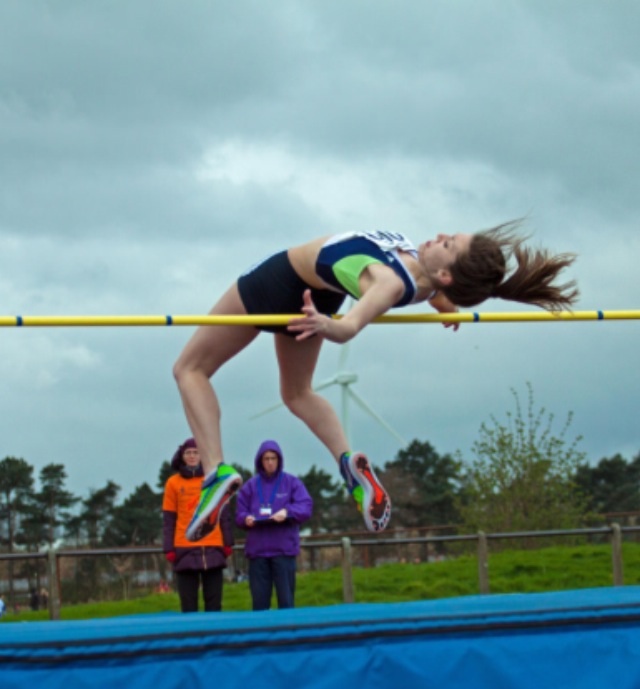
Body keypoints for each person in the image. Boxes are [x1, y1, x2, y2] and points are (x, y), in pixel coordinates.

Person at [174, 223, 578, 539]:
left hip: (281, 282)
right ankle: (349, 464)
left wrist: (325, 325)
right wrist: (447, 306)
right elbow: (437, 290)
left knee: (190, 369)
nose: (440, 234)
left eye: (448, 243)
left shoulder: (390, 283)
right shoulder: (424, 282)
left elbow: (349, 327)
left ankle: (215, 472)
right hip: (318, 296)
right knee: (297, 394)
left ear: (445, 272)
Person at [235, 440, 313, 611]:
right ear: (260, 461)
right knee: (259, 605)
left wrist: (287, 512)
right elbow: (239, 513)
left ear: (279, 460)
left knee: (286, 602)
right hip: (258, 553)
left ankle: (288, 628)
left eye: (273, 458)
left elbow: (306, 507)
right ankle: (262, 629)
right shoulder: (250, 486)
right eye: (266, 459)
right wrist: (246, 518)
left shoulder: (292, 483)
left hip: (283, 551)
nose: (270, 462)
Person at [162, 437, 235, 613]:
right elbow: (169, 519)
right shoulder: (173, 483)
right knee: (188, 603)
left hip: (213, 545)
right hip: (184, 547)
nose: (192, 456)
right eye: (188, 453)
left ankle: (214, 630)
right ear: (182, 456)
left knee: (214, 602)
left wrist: (228, 542)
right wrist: (168, 548)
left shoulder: (214, 479)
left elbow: (223, 514)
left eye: (196, 452)